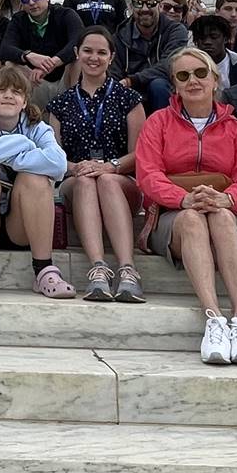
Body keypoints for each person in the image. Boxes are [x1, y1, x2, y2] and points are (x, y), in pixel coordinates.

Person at [137, 46, 237, 362]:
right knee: (193, 219)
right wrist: (184, 198)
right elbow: (148, 175)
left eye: (200, 73)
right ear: (175, 85)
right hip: (172, 215)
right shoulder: (158, 123)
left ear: (215, 78)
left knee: (220, 216)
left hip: (225, 211)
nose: (192, 80)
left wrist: (227, 198)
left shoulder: (236, 128)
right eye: (183, 75)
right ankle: (214, 318)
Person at [0, 63, 72, 299]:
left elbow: (59, 165)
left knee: (36, 179)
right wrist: (23, 145)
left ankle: (44, 270)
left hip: (20, 225)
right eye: (1, 90)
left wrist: (10, 156)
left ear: (25, 101)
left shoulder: (38, 127)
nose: (8, 95)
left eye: (16, 92)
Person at [47, 27, 146, 302]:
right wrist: (78, 167)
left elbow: (139, 153)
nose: (94, 57)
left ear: (111, 57)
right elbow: (55, 156)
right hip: (75, 178)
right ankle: (98, 270)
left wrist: (110, 167)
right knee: (86, 180)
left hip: (120, 178)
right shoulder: (60, 104)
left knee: (104, 179)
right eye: (88, 51)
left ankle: (127, 269)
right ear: (77, 53)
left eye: (101, 52)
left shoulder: (129, 99)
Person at [1, 0, 84, 106]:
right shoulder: (18, 19)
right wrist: (29, 56)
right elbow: (5, 49)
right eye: (25, 0)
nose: (32, 3)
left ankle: (74, 105)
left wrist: (52, 63)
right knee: (10, 64)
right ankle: (26, 109)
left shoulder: (66, 14)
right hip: (35, 80)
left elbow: (78, 41)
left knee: (78, 57)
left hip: (64, 78)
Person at [111, 0, 189, 114]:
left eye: (151, 3)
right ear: (131, 7)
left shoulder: (175, 31)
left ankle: (165, 131)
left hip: (165, 90)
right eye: (139, 3)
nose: (145, 9)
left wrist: (132, 80)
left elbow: (169, 65)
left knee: (158, 85)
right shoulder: (119, 36)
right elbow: (114, 72)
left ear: (159, 6)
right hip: (130, 94)